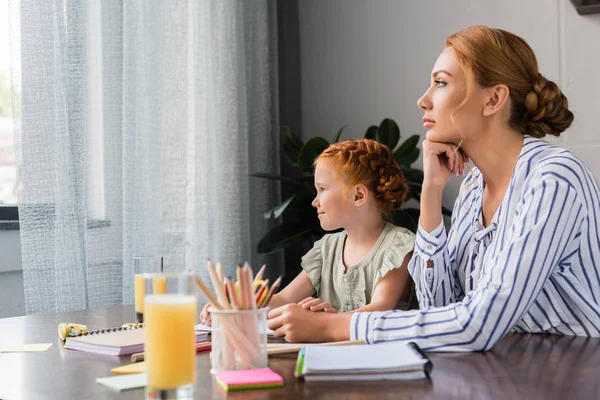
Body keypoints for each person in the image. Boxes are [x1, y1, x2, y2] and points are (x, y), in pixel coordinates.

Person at [267, 25, 600, 351]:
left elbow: (478, 325)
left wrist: (336, 325)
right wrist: (431, 193)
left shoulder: (554, 179)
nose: (423, 100)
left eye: (441, 83)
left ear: (494, 99)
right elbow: (439, 308)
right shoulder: (473, 188)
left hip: (575, 374)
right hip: (504, 374)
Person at [200, 139, 416, 324]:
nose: (314, 201)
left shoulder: (397, 245)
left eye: (322, 189)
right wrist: (236, 307)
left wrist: (320, 323)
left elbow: (381, 309)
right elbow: (285, 299)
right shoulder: (326, 249)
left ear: (358, 195)